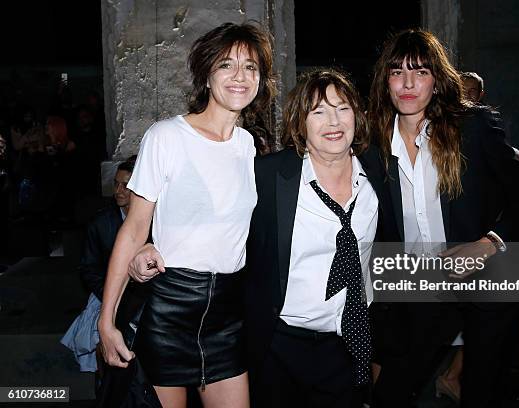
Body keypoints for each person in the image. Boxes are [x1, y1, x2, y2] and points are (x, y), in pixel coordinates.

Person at [128, 68, 399, 408]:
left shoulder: (381, 174)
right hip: (277, 345)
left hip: (347, 344)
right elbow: (218, 216)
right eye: (318, 111)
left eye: (342, 108)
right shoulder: (270, 176)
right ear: (300, 123)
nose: (333, 121)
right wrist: (153, 243)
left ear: (357, 118)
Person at [98, 22, 276, 408]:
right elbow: (134, 228)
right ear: (207, 75)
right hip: (170, 308)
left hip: (227, 314)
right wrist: (106, 320)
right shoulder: (167, 137)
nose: (240, 77)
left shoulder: (248, 146)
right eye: (227, 65)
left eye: (251, 67)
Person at [367, 29, 519, 408]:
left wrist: (487, 243)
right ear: (386, 81)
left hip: (490, 278)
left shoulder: (473, 127)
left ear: (437, 80)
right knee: (394, 390)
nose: (408, 83)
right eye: (397, 72)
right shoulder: (372, 144)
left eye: (421, 71)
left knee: (482, 390)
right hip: (423, 282)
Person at [61, 159, 137, 374]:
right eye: (116, 184)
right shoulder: (101, 223)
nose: (119, 191)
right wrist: (109, 294)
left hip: (145, 298)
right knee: (99, 338)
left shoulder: (156, 221)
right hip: (108, 293)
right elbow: (89, 268)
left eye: (126, 185)